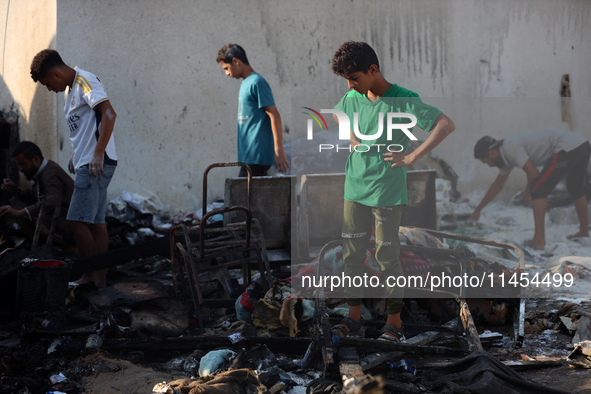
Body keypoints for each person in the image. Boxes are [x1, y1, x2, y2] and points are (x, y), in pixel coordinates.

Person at [329, 41, 455, 342]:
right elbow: (339, 115)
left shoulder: (405, 99)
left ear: (373, 70)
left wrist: (411, 157)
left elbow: (445, 124)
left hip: (386, 193)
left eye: (354, 77)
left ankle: (394, 324)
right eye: (346, 79)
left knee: (387, 256)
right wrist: (353, 140)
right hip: (354, 189)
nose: (350, 85)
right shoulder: (352, 96)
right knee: (352, 256)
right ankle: (354, 319)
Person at [30, 49, 118, 288]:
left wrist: (97, 153)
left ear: (56, 73)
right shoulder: (72, 90)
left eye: (48, 84)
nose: (50, 89)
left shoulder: (84, 81)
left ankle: (89, 274)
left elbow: (109, 114)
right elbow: (87, 127)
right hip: (88, 161)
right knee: (97, 223)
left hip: (94, 163)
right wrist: (76, 155)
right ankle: (100, 281)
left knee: (76, 221)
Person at [470, 128, 590, 250]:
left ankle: (538, 240)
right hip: (582, 145)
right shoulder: (507, 156)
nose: (489, 166)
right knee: (575, 188)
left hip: (566, 147)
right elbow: (497, 186)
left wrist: (528, 193)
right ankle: (584, 233)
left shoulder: (510, 147)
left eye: (486, 162)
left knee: (539, 190)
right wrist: (478, 209)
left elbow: (534, 174)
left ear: (491, 153)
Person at [216, 44, 289, 177]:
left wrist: (279, 151)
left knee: (241, 196)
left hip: (257, 158)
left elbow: (274, 114)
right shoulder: (245, 84)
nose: (226, 73)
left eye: (226, 68)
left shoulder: (257, 82)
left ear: (236, 62)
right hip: (248, 157)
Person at [0, 141, 74, 245]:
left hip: (69, 223)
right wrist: (16, 190)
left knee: (39, 221)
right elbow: (38, 195)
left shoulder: (50, 173)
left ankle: (56, 249)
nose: (20, 168)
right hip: (60, 217)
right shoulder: (42, 172)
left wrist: (20, 212)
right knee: (15, 201)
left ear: (36, 159)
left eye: (22, 163)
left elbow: (52, 200)